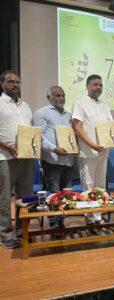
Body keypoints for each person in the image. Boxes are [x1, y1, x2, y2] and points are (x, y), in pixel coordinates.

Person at [72, 74, 112, 225]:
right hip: (88, 151)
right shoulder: (79, 103)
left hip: (103, 150)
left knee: (101, 185)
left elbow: (109, 127)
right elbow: (77, 127)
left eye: (100, 85)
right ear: (87, 86)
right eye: (95, 84)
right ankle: (90, 217)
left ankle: (98, 216)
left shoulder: (104, 105)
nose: (98, 87)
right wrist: (92, 144)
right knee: (88, 185)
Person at [32, 85, 75, 228]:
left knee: (65, 194)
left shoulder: (69, 115)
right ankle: (54, 224)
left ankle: (61, 222)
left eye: (63, 95)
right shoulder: (41, 113)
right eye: (57, 95)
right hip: (52, 160)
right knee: (54, 193)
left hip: (68, 160)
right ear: (48, 97)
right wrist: (54, 148)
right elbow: (40, 136)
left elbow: (72, 137)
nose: (61, 98)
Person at [0, 70, 33, 249]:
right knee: (4, 199)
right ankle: (5, 236)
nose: (15, 85)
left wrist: (36, 139)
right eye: (11, 82)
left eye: (18, 82)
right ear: (2, 84)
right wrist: (6, 146)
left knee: (26, 198)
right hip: (4, 158)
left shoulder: (25, 105)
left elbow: (29, 130)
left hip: (26, 157)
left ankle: (22, 232)